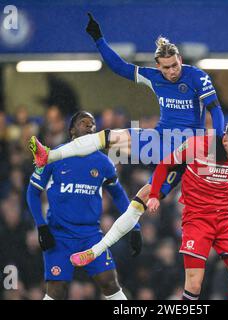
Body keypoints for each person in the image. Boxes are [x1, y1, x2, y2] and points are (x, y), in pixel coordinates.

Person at [29, 12, 225, 266]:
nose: (173, 71)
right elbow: (120, 67)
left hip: (186, 148)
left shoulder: (196, 77)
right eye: (166, 67)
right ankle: (49, 155)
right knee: (112, 137)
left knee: (140, 200)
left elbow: (216, 110)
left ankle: (96, 250)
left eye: (175, 65)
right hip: (160, 139)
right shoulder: (154, 77)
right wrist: (99, 39)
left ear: (180, 59)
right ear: (158, 67)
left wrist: (218, 140)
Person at [26, 111, 142, 300]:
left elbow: (119, 194)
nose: (90, 126)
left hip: (90, 236)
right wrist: (41, 226)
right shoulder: (54, 157)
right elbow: (32, 192)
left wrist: (135, 227)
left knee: (110, 283)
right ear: (71, 130)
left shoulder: (103, 162)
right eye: (83, 123)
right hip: (59, 235)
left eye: (93, 124)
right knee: (57, 289)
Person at [148, 118, 228, 300]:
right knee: (194, 285)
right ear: (225, 141)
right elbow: (164, 165)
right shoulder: (195, 145)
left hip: (224, 218)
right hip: (197, 219)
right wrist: (153, 196)